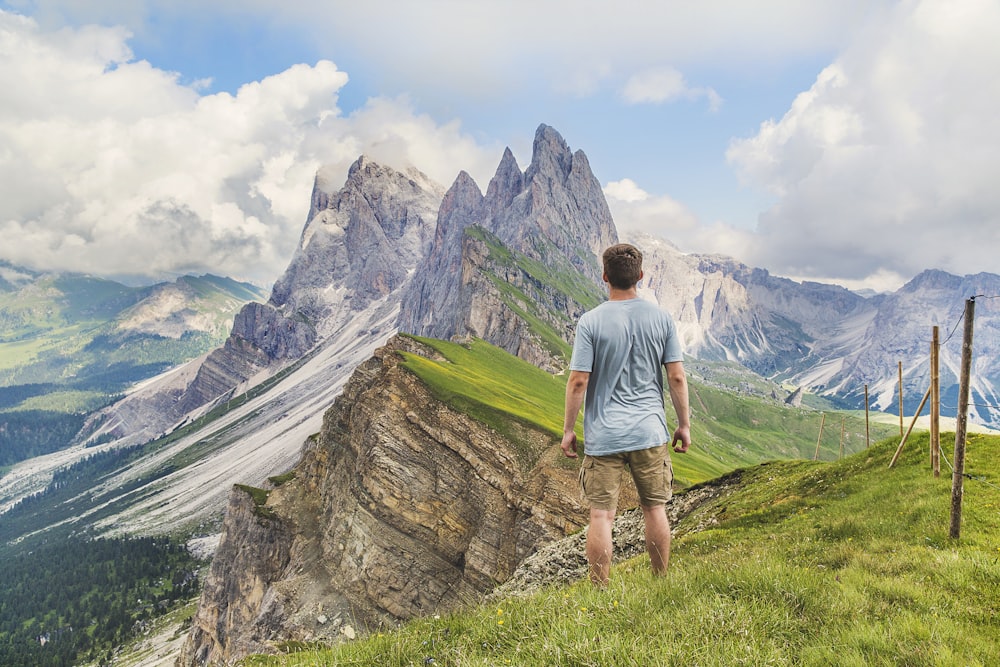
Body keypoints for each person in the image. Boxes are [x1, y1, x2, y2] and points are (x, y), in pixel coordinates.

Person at [561, 243, 691, 587]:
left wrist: (568, 430)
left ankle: (600, 591)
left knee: (601, 515)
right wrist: (684, 425)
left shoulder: (590, 322)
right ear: (641, 277)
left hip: (604, 435)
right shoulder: (661, 319)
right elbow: (676, 376)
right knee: (654, 509)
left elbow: (578, 382)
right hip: (649, 431)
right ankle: (660, 581)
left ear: (605, 277)